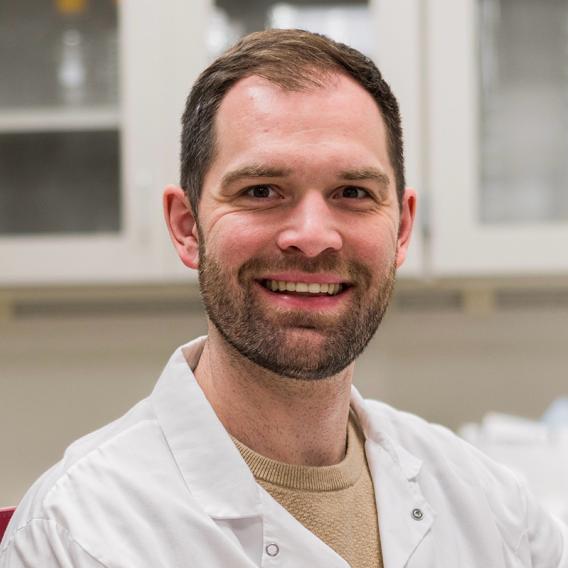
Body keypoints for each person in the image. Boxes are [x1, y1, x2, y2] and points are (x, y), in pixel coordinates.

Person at [1, 29, 566, 568]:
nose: (313, 234)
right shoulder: (74, 534)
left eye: (353, 192)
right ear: (186, 226)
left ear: (401, 229)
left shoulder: (496, 510)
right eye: (262, 191)